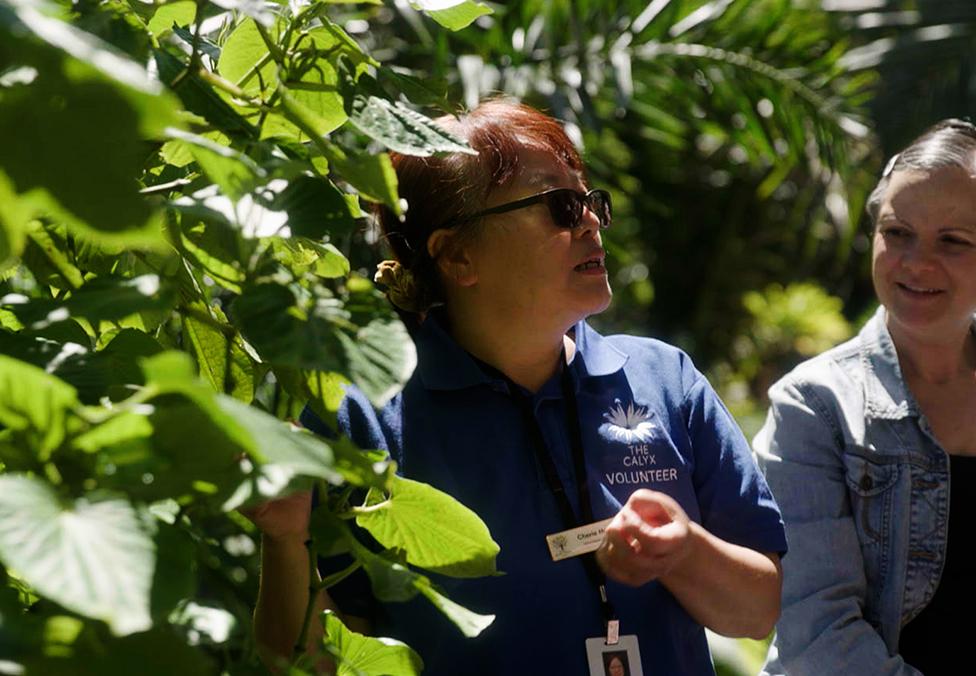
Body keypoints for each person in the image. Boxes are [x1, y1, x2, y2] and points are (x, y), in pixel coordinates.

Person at [250, 98, 787, 675]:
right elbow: (308, 665)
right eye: (560, 206)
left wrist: (684, 551)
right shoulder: (364, 418)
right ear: (457, 256)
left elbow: (757, 612)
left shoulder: (665, 378)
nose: (590, 221)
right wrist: (285, 542)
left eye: (589, 201)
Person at [756, 119, 976, 675]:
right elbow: (819, 636)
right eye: (897, 233)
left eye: (953, 241)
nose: (917, 263)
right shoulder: (814, 406)